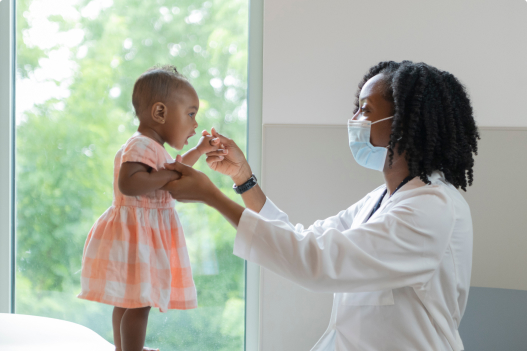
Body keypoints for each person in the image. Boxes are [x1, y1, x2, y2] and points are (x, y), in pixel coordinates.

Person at [163, 61, 480, 351]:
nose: (353, 121)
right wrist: (243, 179)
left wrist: (212, 197)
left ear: (406, 122)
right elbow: (302, 239)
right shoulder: (381, 200)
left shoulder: (432, 209)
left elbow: (315, 261)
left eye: (365, 110)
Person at [78, 65, 222, 351]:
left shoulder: (153, 148)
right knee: (140, 303)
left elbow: (176, 168)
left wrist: (200, 150)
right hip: (137, 235)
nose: (195, 123)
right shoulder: (140, 144)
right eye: (191, 114)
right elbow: (129, 183)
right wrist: (168, 176)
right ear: (160, 113)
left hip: (140, 234)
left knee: (129, 299)